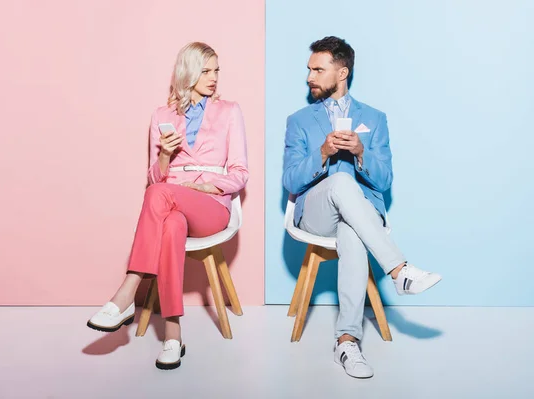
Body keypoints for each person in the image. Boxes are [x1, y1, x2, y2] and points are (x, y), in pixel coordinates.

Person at [283, 36, 441, 379]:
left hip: (361, 214)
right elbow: (292, 182)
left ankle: (347, 340)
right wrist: (323, 153)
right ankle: (399, 271)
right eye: (308, 69)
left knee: (352, 231)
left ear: (342, 72)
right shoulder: (299, 120)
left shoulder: (374, 118)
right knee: (340, 183)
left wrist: (360, 153)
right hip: (315, 213)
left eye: (317, 70)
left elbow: (383, 180)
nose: (309, 76)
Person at [87, 42, 248, 370]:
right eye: (205, 71)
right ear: (187, 72)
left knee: (159, 195)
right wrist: (164, 154)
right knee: (170, 221)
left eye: (217, 70)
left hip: (211, 206)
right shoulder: (162, 115)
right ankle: (173, 336)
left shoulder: (230, 111)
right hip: (171, 203)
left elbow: (241, 173)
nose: (214, 77)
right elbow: (154, 177)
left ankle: (127, 291)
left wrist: (205, 185)